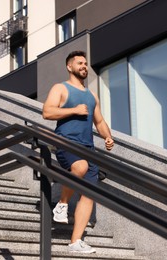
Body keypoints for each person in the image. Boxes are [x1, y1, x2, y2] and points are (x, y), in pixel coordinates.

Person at [42, 50, 114, 254]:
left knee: (89, 194)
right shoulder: (61, 88)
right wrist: (74, 110)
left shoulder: (91, 96)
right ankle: (62, 204)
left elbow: (99, 122)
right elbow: (47, 112)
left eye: (85, 63)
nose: (84, 66)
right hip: (66, 142)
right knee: (80, 167)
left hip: (88, 148)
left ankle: (75, 241)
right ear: (69, 66)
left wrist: (107, 136)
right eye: (79, 63)